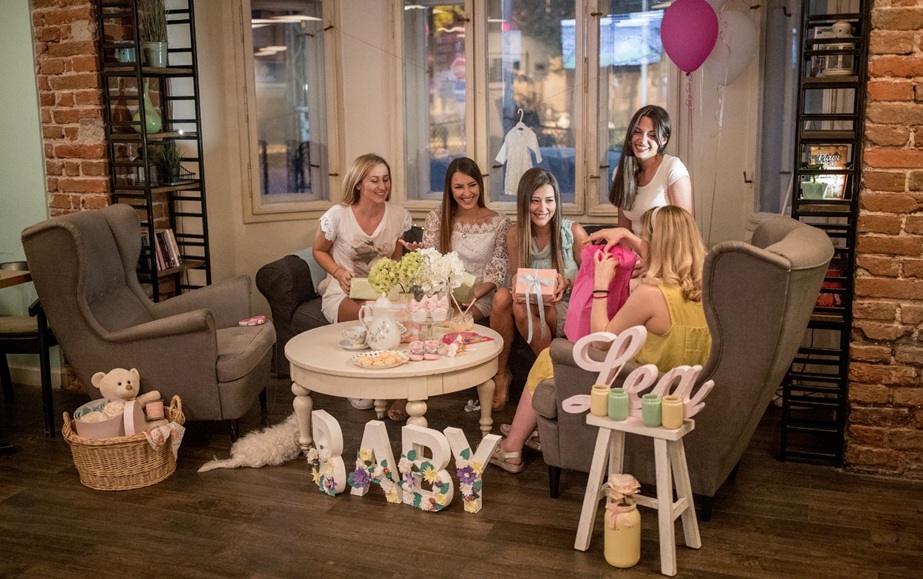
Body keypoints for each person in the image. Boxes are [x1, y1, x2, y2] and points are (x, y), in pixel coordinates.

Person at [489, 205, 711, 473]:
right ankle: (529, 430)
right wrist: (626, 236)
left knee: (551, 356)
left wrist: (601, 285)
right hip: (679, 390)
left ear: (657, 245)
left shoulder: (652, 296)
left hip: (638, 390)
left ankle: (512, 446)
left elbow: (600, 341)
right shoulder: (706, 286)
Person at [312, 153, 413, 410]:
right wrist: (338, 272)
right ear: (359, 183)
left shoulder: (398, 215)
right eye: (374, 181)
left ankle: (403, 390)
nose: (382, 187)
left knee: (408, 317)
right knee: (373, 314)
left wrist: (404, 283)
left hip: (383, 295)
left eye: (386, 180)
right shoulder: (337, 216)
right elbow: (319, 251)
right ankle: (361, 382)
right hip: (344, 294)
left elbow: (396, 261)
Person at [489, 168, 588, 411]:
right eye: (535, 201)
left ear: (556, 202)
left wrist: (567, 282)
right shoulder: (515, 234)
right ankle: (503, 374)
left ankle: (550, 380)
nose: (542, 208)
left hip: (564, 305)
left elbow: (593, 279)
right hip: (532, 306)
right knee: (505, 297)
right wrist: (516, 284)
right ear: (524, 202)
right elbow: (517, 275)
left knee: (522, 307)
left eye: (549, 200)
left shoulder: (572, 232)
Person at [422, 156, 512, 321]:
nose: (467, 193)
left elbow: (497, 272)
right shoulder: (437, 218)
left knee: (459, 321)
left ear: (480, 185)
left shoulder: (500, 223)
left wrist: (474, 296)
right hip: (444, 294)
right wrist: (449, 300)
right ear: (450, 189)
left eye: (472, 185)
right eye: (459, 187)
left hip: (481, 296)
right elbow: (430, 268)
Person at [609, 105, 693, 236]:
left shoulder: (672, 167)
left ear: (664, 140)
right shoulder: (621, 171)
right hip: (635, 254)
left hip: (666, 253)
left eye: (652, 135)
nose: (642, 140)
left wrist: (641, 252)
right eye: (638, 132)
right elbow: (624, 229)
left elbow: (686, 232)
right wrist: (624, 256)